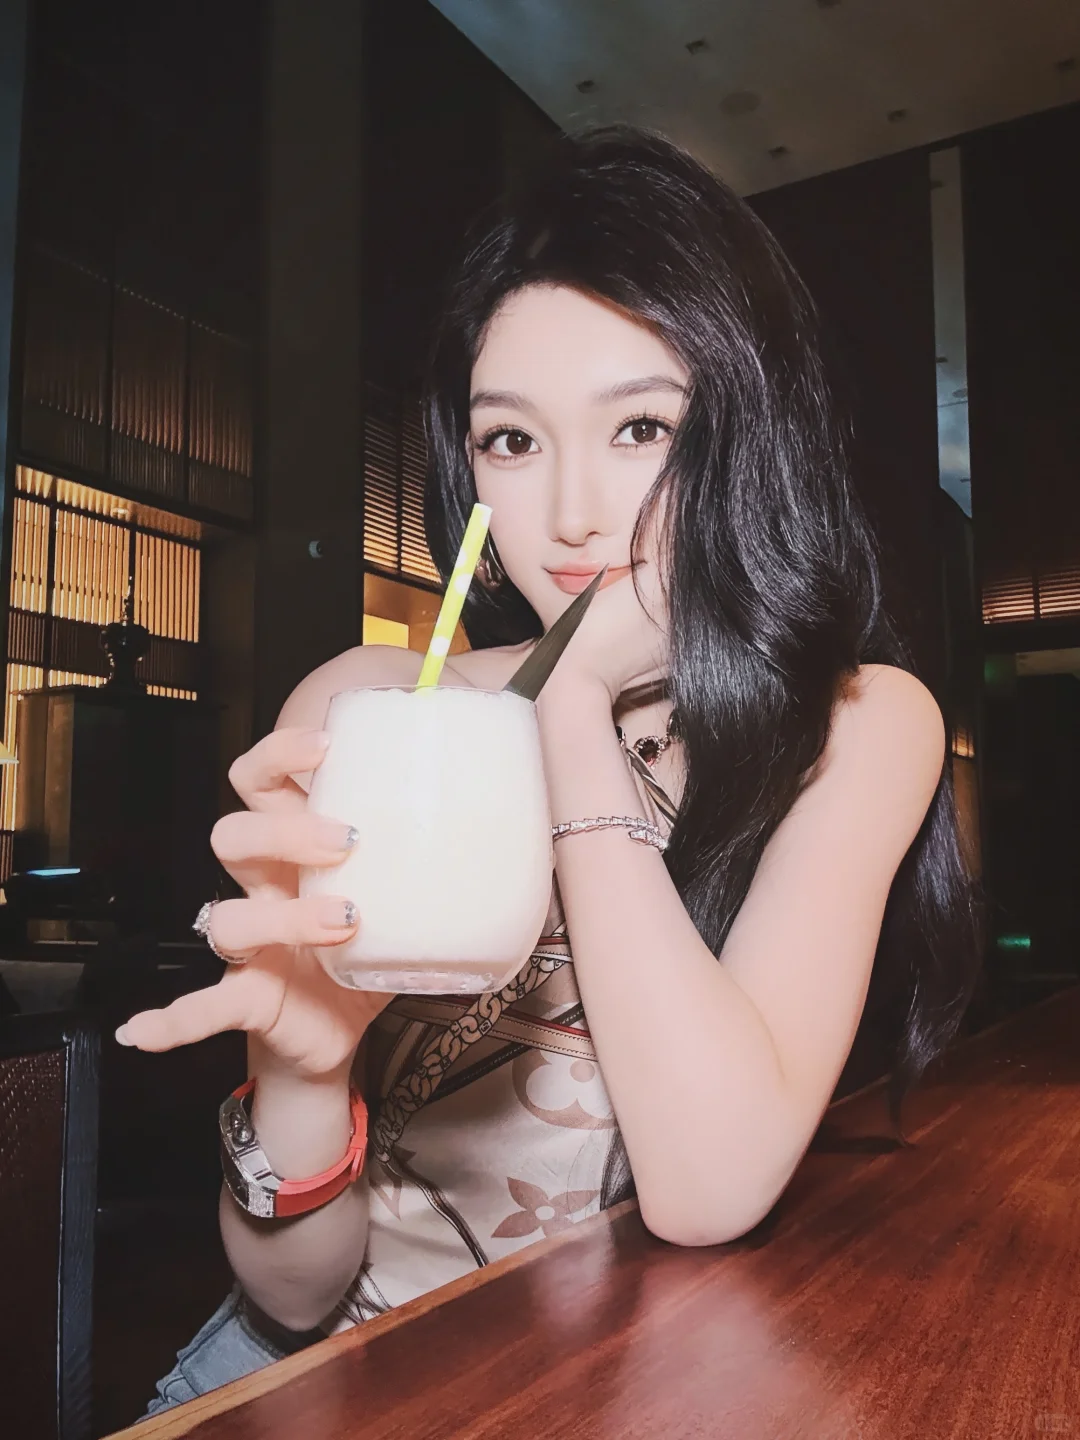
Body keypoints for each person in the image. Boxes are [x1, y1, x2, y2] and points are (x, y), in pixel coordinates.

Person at [122, 126, 979, 1413]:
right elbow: (294, 1303)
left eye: (640, 426)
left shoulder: (856, 725)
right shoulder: (373, 713)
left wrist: (568, 703)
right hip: (325, 1382)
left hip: (627, 1388)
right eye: (511, 441)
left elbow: (709, 1187)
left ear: (749, 435)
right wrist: (300, 1076)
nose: (571, 511)